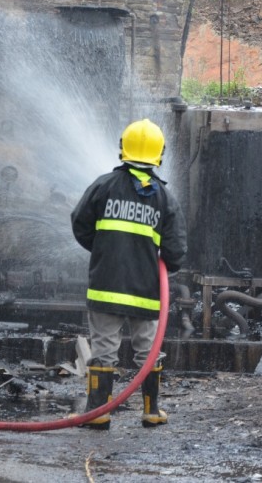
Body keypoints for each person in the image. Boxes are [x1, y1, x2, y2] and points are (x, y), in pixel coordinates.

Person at [70, 118, 188, 429]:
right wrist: (159, 264)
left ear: (123, 148)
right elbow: (176, 250)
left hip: (105, 287)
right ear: (159, 154)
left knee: (103, 351)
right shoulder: (164, 198)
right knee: (148, 351)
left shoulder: (103, 186)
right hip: (145, 292)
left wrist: (103, 249)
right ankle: (151, 411)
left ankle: (98, 413)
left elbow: (79, 223)